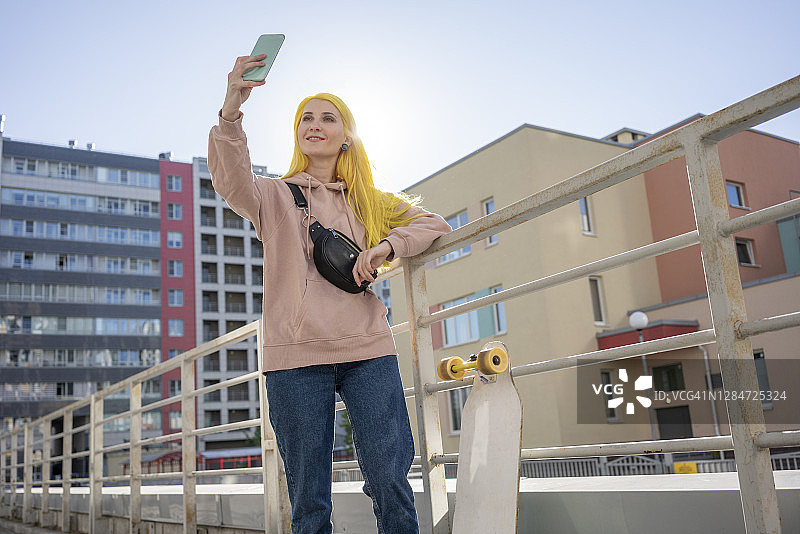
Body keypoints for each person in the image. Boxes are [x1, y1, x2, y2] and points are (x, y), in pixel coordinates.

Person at [208, 53, 452, 534]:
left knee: (390, 480)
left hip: (368, 349)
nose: (314, 124)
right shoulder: (273, 196)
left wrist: (386, 244)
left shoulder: (371, 202)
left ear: (347, 136)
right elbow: (230, 178)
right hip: (295, 357)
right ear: (298, 134)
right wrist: (233, 106)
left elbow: (434, 223)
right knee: (310, 499)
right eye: (305, 118)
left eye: (327, 117)